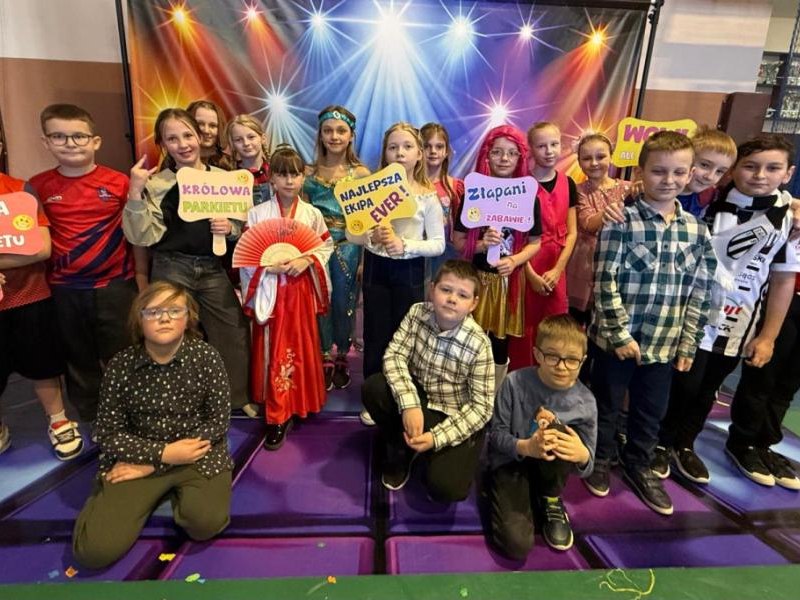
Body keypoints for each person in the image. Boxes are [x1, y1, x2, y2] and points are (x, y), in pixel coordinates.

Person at [652, 134, 798, 488]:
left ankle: (685, 444)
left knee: (709, 388)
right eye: (750, 166)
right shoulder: (710, 203)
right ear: (735, 171)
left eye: (772, 168)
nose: (760, 175)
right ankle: (660, 441)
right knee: (682, 383)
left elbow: (782, 280)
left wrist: (768, 336)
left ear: (788, 173)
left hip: (740, 322)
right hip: (692, 317)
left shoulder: (786, 220)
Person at [585, 131, 716, 516]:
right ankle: (601, 457)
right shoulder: (620, 221)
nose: (669, 180)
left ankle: (639, 464)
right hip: (615, 341)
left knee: (650, 409)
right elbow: (604, 280)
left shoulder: (696, 230)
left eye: (678, 172)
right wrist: (619, 334)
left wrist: (688, 342)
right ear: (641, 173)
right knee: (606, 403)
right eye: (659, 171)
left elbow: (700, 289)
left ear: (690, 174)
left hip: (664, 342)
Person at [72, 282, 232, 569]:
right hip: (138, 457)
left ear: (188, 318)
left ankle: (170, 486)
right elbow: (107, 433)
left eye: (175, 310)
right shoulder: (121, 366)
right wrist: (161, 455)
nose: (165, 318)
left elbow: (218, 420)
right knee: (93, 552)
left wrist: (160, 464)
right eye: (154, 311)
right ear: (139, 319)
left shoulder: (207, 357)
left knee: (205, 523)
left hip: (195, 454)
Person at [122, 108, 251, 411]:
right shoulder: (157, 184)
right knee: (166, 332)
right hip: (171, 267)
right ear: (163, 145)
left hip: (211, 267)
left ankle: (236, 398)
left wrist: (230, 228)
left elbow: (241, 225)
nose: (183, 144)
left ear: (199, 136)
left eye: (187, 135)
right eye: (172, 139)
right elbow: (141, 236)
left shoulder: (223, 179)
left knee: (232, 330)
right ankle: (173, 402)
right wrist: (135, 192)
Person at [30, 104, 147, 424]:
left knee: (124, 353)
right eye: (59, 136)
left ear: (96, 141)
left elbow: (135, 234)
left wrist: (141, 277)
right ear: (46, 142)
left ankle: (131, 412)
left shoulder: (119, 182)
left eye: (79, 136)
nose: (70, 143)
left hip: (116, 285)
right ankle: (92, 415)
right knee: (77, 357)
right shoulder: (37, 186)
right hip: (64, 288)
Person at [362, 260, 494, 502]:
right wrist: (409, 404)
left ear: (473, 304)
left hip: (452, 413)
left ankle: (435, 449)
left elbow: (481, 408)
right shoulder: (417, 313)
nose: (452, 299)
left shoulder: (479, 344)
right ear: (432, 290)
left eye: (462, 295)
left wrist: (437, 438)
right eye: (446, 290)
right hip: (419, 398)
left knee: (446, 488)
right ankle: (401, 446)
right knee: (374, 388)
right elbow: (394, 355)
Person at [241, 145, 333, 450]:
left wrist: (306, 260)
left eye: (295, 174)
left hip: (300, 290)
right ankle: (277, 413)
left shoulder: (312, 214)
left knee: (301, 343)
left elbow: (325, 246)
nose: (289, 181)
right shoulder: (257, 214)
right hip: (271, 290)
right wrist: (267, 266)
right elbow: (247, 254)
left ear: (303, 177)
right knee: (276, 347)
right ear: (272, 179)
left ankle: (301, 401)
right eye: (282, 174)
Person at [0, 130, 82, 459]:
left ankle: (59, 421)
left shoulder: (20, 189)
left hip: (30, 296)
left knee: (43, 364)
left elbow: (41, 248)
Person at [488, 314, 596, 556]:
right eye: (552, 356)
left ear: (582, 361)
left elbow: (587, 465)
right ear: (537, 355)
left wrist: (581, 455)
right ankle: (503, 492)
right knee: (516, 544)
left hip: (550, 471)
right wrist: (526, 447)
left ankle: (550, 497)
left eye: (571, 360)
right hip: (511, 463)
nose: (561, 366)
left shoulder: (586, 402)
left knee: (559, 431)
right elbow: (495, 436)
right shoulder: (513, 383)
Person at [347, 123, 445, 383]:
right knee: (375, 331)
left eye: (407, 146)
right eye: (393, 147)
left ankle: (402, 390)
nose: (400, 153)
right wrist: (372, 237)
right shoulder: (371, 190)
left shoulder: (427, 197)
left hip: (409, 270)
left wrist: (406, 246)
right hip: (375, 268)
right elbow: (352, 233)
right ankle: (373, 389)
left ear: (419, 154)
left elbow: (438, 244)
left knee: (405, 332)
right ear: (385, 154)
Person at [453, 125, 541, 392]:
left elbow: (536, 242)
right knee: (470, 339)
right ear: (486, 155)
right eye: (497, 152)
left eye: (512, 153)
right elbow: (458, 241)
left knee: (500, 344)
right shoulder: (473, 193)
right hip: (477, 280)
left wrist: (515, 260)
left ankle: (494, 397)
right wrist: (481, 244)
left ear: (520, 158)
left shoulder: (529, 196)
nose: (504, 158)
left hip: (508, 282)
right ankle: (466, 390)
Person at [303, 106, 370, 393]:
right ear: (320, 134)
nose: (334, 136)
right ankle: (323, 354)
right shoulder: (308, 174)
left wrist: (364, 259)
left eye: (341, 130)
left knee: (344, 301)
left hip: (349, 248)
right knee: (321, 300)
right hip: (317, 248)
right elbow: (302, 218)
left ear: (351, 135)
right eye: (328, 130)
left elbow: (368, 220)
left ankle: (342, 352)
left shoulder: (361, 174)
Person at [508, 122, 577, 370]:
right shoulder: (520, 185)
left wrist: (558, 270)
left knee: (554, 325)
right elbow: (514, 238)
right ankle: (520, 379)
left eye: (554, 144)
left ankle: (551, 376)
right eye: (541, 146)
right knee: (524, 325)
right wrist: (530, 275)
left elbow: (572, 233)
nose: (549, 151)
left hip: (556, 263)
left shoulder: (568, 183)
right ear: (531, 149)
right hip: (527, 264)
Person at [565, 133, 633, 328]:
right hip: (585, 265)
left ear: (611, 156)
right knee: (576, 322)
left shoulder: (629, 188)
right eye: (587, 158)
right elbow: (588, 223)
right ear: (579, 162)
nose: (594, 163)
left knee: (610, 320)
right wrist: (617, 206)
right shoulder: (577, 190)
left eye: (601, 156)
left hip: (618, 263)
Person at [421, 122, 464, 278]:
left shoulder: (456, 186)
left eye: (439, 147)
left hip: (446, 256)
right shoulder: (409, 185)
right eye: (427, 146)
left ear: (446, 152)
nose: (433, 151)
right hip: (416, 253)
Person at [225, 114, 271, 206]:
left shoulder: (275, 171)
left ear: (263, 139)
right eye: (238, 140)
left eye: (251, 137)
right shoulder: (229, 176)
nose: (246, 143)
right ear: (232, 144)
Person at [186, 100, 233, 170]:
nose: (206, 131)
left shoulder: (230, 164)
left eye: (213, 125)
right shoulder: (174, 161)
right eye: (200, 124)